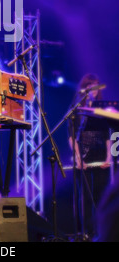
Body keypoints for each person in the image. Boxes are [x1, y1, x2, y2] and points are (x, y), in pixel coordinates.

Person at [68, 73, 112, 239]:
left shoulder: (102, 110)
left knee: (102, 195)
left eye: (96, 87)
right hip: (83, 154)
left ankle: (102, 231)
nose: (93, 91)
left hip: (100, 154)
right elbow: (71, 135)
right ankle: (85, 232)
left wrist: (109, 157)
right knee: (84, 196)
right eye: (90, 87)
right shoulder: (76, 109)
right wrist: (78, 158)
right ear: (84, 88)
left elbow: (109, 135)